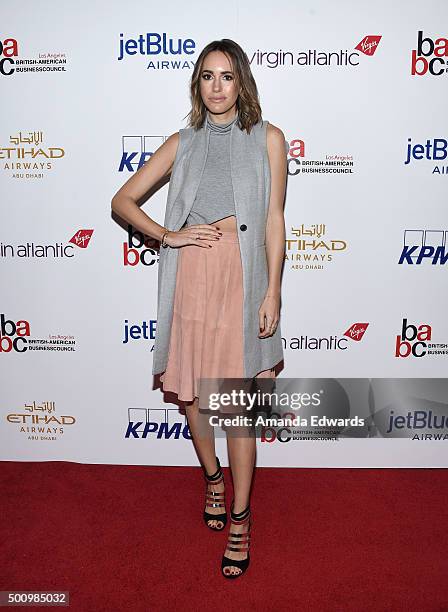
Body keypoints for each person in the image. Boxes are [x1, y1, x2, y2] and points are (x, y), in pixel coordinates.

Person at [111, 39, 287, 579]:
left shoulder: (269, 139)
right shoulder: (182, 141)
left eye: (227, 76)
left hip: (242, 277)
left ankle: (240, 517)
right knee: (191, 393)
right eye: (207, 76)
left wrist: (273, 290)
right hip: (191, 278)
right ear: (197, 83)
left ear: (242, 83)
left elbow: (275, 219)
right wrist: (170, 235)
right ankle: (211, 474)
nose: (217, 86)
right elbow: (122, 200)